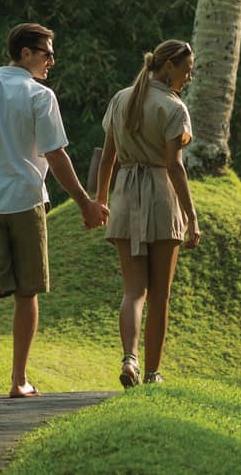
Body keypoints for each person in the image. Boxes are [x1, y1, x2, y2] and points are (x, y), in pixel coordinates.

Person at [0, 23, 108, 402]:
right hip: (26, 201)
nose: (52, 60)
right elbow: (56, 156)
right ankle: (19, 380)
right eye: (46, 52)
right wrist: (85, 202)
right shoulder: (40, 95)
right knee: (27, 292)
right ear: (25, 53)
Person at [93, 39, 201, 388]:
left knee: (133, 291)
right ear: (168, 66)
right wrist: (192, 217)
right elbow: (174, 166)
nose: (189, 76)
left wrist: (101, 200)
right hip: (160, 198)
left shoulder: (121, 98)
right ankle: (153, 373)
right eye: (186, 70)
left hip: (125, 196)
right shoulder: (173, 107)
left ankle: (130, 359)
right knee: (160, 296)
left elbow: (107, 157)